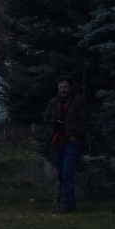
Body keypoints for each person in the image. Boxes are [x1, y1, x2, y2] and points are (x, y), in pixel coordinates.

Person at [44, 77, 90, 212]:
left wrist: (75, 135)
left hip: (72, 141)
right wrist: (51, 130)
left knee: (67, 173)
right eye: (61, 87)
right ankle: (65, 201)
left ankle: (67, 205)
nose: (63, 90)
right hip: (58, 140)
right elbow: (46, 118)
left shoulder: (79, 102)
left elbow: (86, 122)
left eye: (65, 87)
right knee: (61, 173)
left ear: (70, 88)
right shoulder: (54, 102)